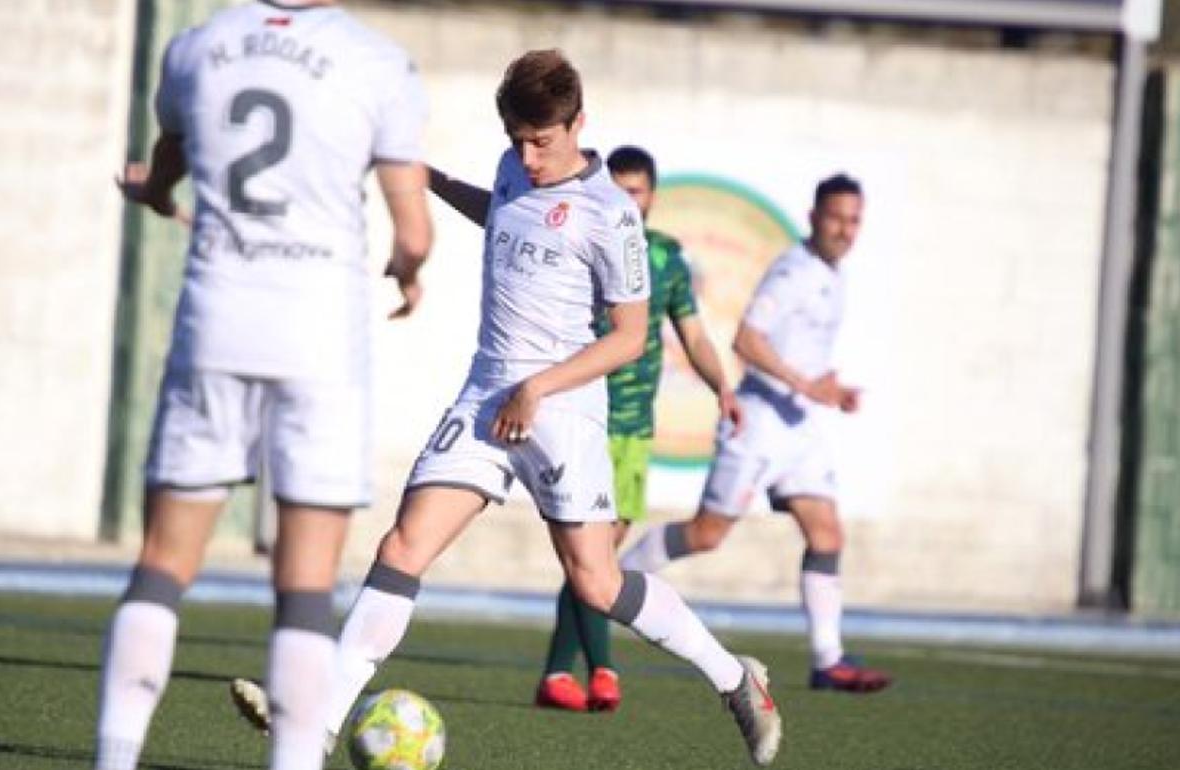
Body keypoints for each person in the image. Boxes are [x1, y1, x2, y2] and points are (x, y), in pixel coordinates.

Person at [230, 49, 782, 766]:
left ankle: (737, 680)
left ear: (579, 123)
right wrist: (431, 183)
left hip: (564, 407)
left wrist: (540, 387)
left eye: (542, 141)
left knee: (595, 581)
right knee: (402, 547)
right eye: (518, 140)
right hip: (487, 391)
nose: (529, 155)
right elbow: (506, 216)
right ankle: (317, 722)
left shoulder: (612, 216)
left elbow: (629, 338)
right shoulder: (512, 167)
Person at [97, 2, 432, 769]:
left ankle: (113, 758)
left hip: (214, 325)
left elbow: (166, 169)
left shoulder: (195, 49)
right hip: (318, 340)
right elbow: (413, 234)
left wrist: (152, 193)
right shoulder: (376, 60)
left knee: (161, 563)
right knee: (305, 586)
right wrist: (408, 273)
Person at [619, 174, 892, 693]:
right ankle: (615, 582)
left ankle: (828, 660)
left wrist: (826, 390)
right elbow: (746, 339)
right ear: (814, 217)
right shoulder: (793, 271)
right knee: (706, 535)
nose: (844, 229)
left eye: (853, 220)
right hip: (760, 423)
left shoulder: (835, 275)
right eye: (835, 217)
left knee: (827, 533)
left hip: (798, 426)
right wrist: (806, 385)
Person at [533, 146, 743, 713]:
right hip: (583, 418)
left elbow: (694, 335)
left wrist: (722, 387)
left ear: (652, 196)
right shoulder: (584, 239)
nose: (628, 200)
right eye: (619, 189)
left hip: (633, 429)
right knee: (592, 555)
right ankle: (600, 669)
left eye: (638, 191)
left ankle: (557, 673)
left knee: (596, 560)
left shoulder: (666, 258)